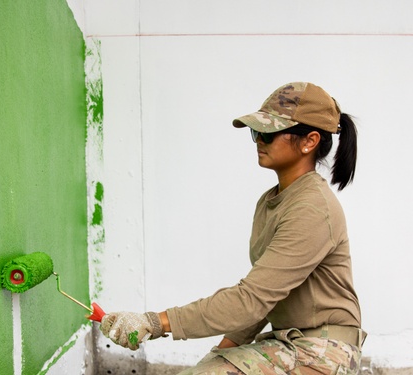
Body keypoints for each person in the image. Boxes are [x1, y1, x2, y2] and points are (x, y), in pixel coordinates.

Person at [99, 82, 365, 374]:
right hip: (293, 345)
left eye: (268, 133)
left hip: (324, 353)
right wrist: (217, 355)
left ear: (309, 141)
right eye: (256, 133)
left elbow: (249, 300)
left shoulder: (312, 208)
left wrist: (154, 322)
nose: (259, 141)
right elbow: (264, 300)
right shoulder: (271, 201)